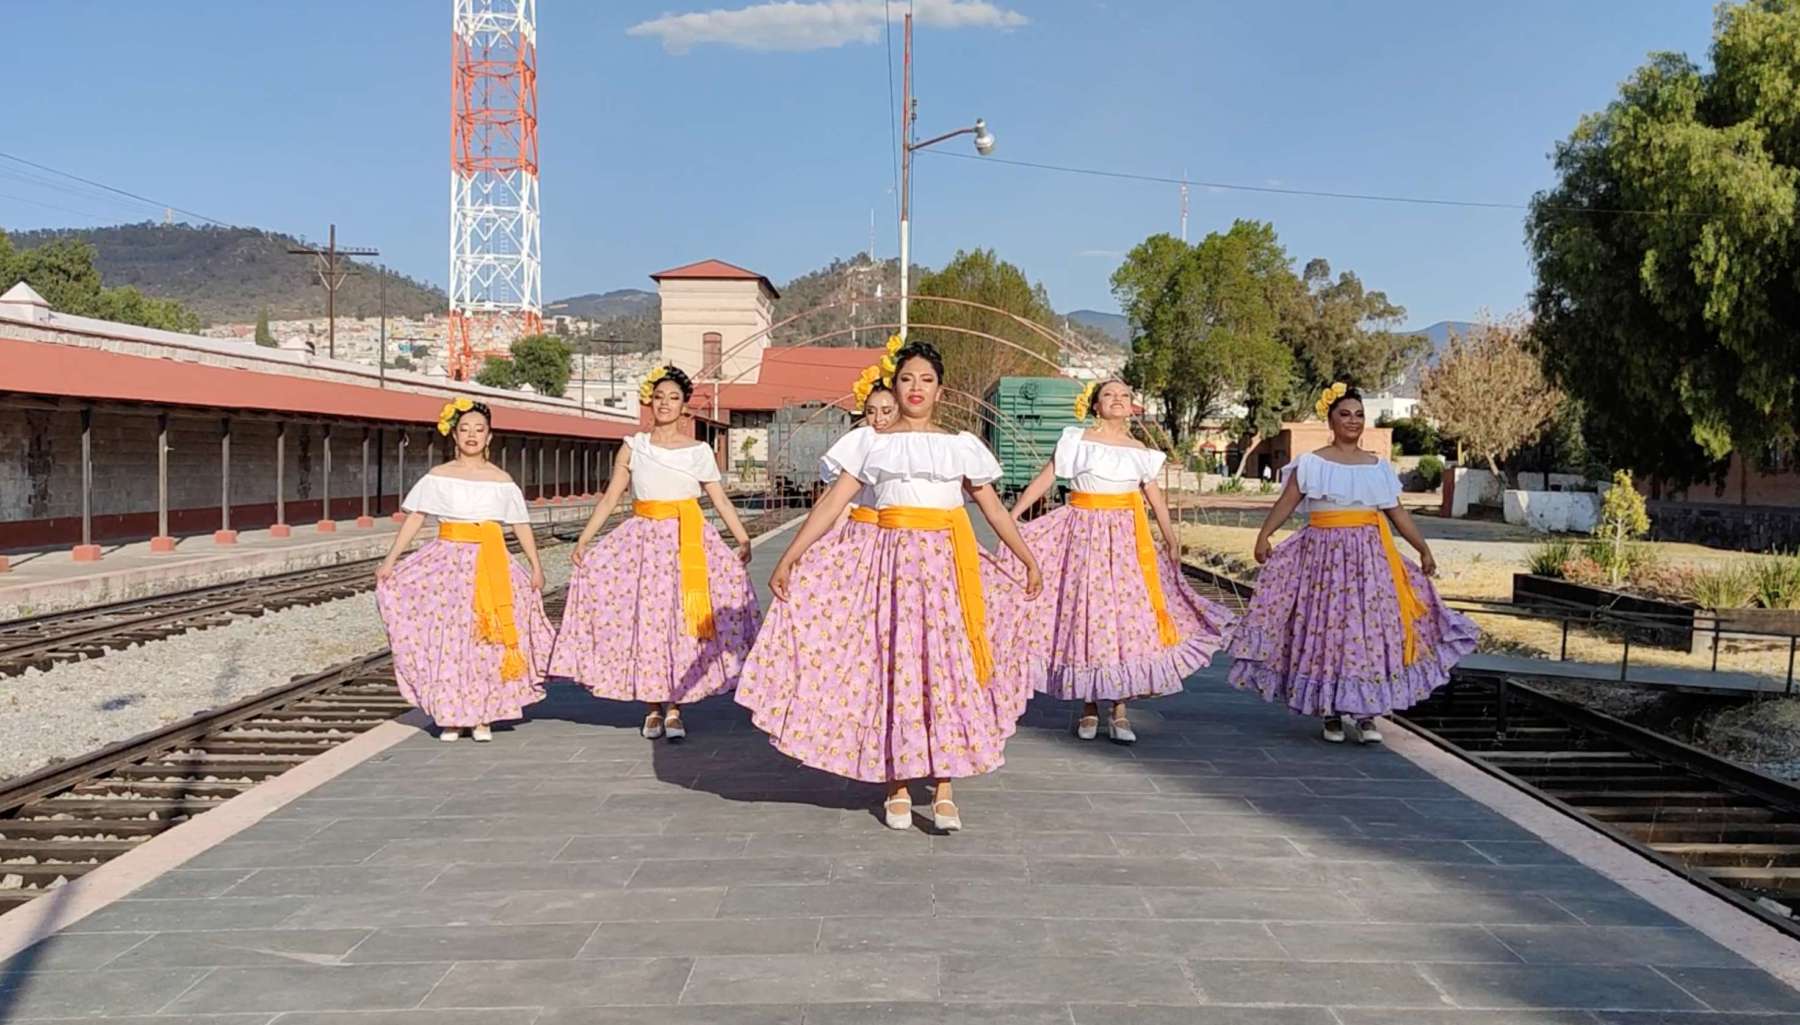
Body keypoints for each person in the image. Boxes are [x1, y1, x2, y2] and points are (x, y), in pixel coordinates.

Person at [737, 341, 1044, 832]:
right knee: (892, 663)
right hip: (889, 567)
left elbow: (991, 510)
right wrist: (792, 557)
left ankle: (945, 784)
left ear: (941, 390)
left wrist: (1027, 556)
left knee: (946, 669)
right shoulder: (871, 443)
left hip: (948, 569)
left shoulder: (960, 445)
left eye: (925, 380)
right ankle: (897, 784)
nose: (916, 388)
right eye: (907, 379)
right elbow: (832, 505)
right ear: (894, 386)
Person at [1228, 383, 1479, 743]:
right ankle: (1330, 710)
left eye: (1359, 415)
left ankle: (1366, 712)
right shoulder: (1311, 463)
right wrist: (1264, 535)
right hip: (1323, 558)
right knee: (1328, 628)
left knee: (1368, 629)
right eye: (1344, 414)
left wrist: (1423, 548)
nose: (1353, 420)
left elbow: (1396, 513)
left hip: (1369, 559)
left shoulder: (1378, 466)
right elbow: (1286, 502)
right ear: (1330, 420)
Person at [992, 378, 1236, 743]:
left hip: (1126, 542)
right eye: (1109, 394)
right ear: (1095, 405)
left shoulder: (1139, 450)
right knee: (1089, 616)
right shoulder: (1076, 440)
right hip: (1083, 537)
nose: (1118, 400)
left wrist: (1170, 538)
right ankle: (1089, 705)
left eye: (1124, 395)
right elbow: (1044, 480)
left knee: (1125, 620)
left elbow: (1155, 497)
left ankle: (1120, 709)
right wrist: (1013, 518)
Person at [550, 365, 761, 741]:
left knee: (681, 623)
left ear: (684, 407)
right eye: (659, 397)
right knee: (647, 621)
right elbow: (612, 496)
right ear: (650, 402)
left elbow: (718, 499)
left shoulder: (698, 451)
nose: (665, 404)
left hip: (689, 542)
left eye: (673, 398)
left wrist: (742, 538)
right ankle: (651, 706)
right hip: (642, 544)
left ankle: (676, 705)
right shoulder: (634, 446)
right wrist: (585, 539)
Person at [375, 397, 554, 743]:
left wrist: (535, 565)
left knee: (487, 642)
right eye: (465, 429)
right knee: (449, 640)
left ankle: (483, 713)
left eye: (479, 430)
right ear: (454, 436)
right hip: (447, 564)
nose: (472, 435)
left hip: (492, 564)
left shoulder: (502, 481)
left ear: (490, 437)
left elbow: (519, 524)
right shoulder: (438, 477)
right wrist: (391, 560)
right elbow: (416, 518)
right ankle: (452, 715)